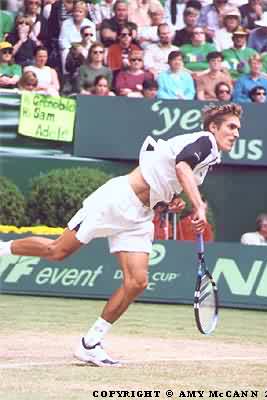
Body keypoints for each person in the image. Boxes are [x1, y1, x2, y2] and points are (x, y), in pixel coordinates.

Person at [0, 103, 243, 366]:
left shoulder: (208, 159)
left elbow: (167, 178)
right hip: (116, 201)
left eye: (238, 129)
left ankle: (90, 343)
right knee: (57, 251)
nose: (236, 133)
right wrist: (199, 206)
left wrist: (171, 202)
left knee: (137, 281)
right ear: (213, 127)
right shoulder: (205, 142)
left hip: (139, 218)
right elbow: (182, 168)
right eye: (231, 126)